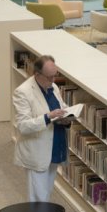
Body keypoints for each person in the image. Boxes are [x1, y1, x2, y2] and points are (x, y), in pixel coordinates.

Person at [13, 55, 70, 201]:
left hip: (55, 148)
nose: (53, 80)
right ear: (37, 74)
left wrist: (67, 118)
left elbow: (61, 107)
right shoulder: (23, 92)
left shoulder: (53, 87)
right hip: (37, 151)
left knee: (47, 193)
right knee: (38, 198)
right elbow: (23, 126)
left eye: (55, 75)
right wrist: (47, 117)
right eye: (49, 77)